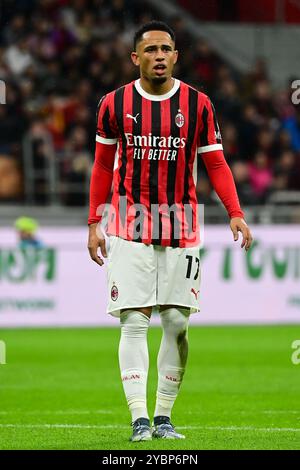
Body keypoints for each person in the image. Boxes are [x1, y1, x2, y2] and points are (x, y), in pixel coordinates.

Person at [88, 20, 253, 442]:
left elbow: (214, 162)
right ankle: (139, 418)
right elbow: (104, 165)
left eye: (166, 49)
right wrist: (94, 222)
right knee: (134, 321)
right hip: (129, 223)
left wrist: (234, 211)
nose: (159, 56)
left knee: (177, 322)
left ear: (175, 56)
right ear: (135, 57)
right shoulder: (114, 103)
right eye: (151, 50)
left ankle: (164, 416)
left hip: (181, 225)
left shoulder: (199, 105)